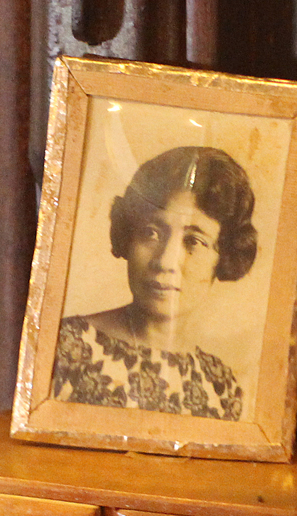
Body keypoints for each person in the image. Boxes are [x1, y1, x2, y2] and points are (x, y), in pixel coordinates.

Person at [51, 145, 257, 420]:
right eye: (151, 232)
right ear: (128, 236)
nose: (166, 261)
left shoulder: (222, 387)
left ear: (224, 256)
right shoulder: (66, 347)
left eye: (194, 241)